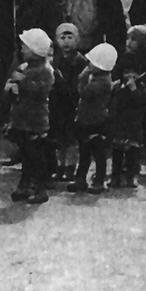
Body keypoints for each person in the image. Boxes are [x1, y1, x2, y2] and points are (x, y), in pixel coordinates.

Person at [5, 28, 55, 204]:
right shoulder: (25, 67)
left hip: (35, 120)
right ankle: (24, 185)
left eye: (25, 47)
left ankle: (40, 188)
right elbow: (13, 82)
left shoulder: (45, 71)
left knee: (36, 156)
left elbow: (41, 90)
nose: (22, 50)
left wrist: (22, 82)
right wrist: (11, 86)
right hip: (22, 118)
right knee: (26, 154)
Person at [67, 43, 117, 194]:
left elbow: (84, 93)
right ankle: (81, 179)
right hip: (87, 118)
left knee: (97, 152)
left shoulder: (100, 82)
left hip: (95, 120)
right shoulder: (98, 78)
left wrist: (82, 77)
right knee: (85, 151)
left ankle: (98, 180)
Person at [108, 25, 146, 190]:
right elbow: (115, 75)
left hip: (135, 108)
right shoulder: (122, 58)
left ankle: (132, 175)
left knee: (133, 144)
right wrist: (116, 84)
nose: (129, 42)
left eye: (134, 40)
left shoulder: (144, 62)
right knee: (117, 144)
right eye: (128, 38)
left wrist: (135, 87)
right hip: (120, 103)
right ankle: (115, 175)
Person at [49, 22, 86, 181]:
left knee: (71, 139)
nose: (66, 41)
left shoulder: (80, 61)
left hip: (72, 103)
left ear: (77, 40)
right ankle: (59, 166)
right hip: (58, 104)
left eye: (70, 37)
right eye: (62, 37)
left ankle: (70, 167)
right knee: (59, 138)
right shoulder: (55, 61)